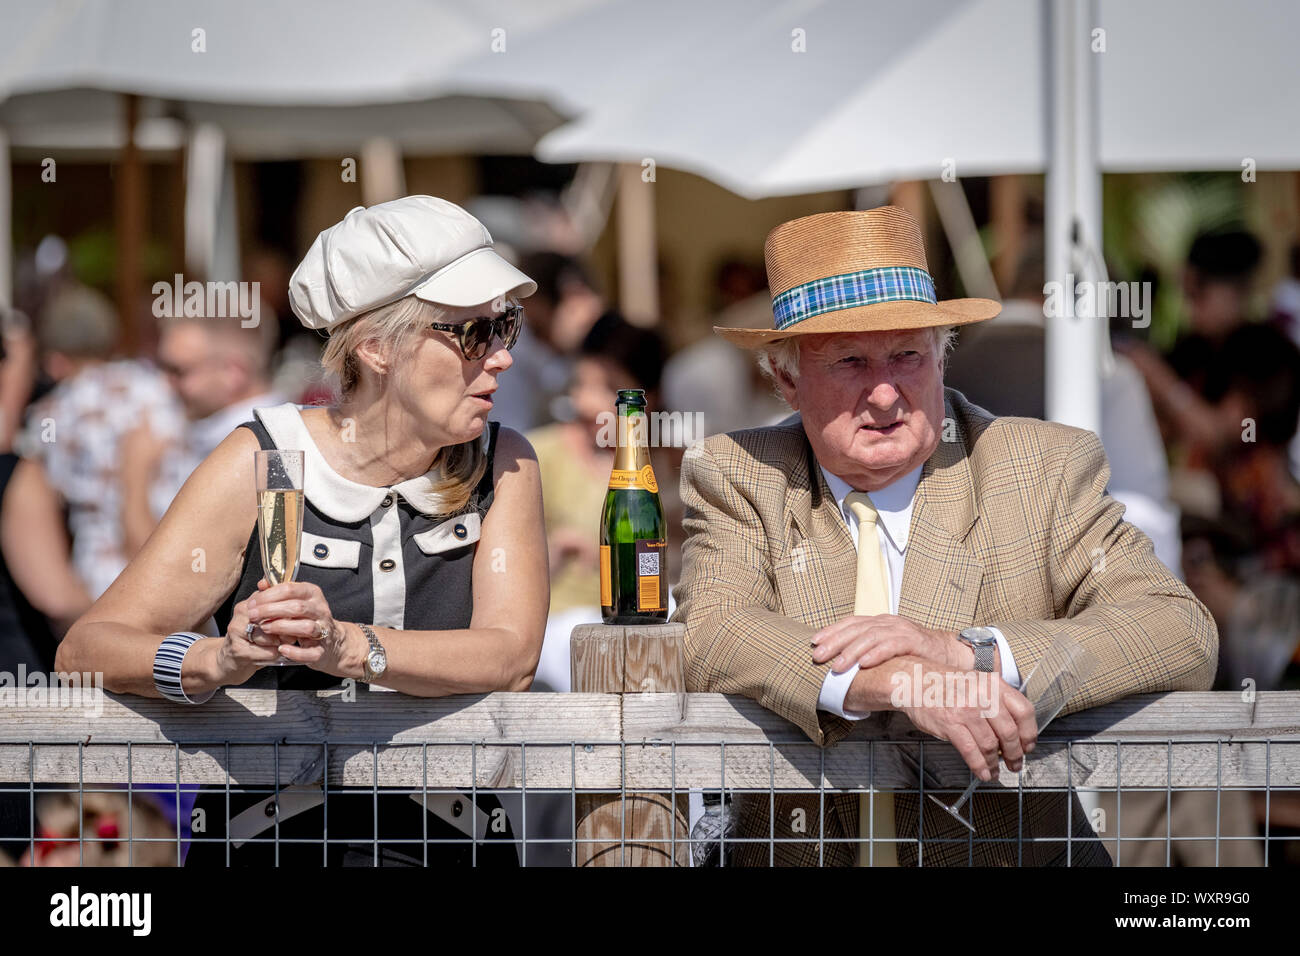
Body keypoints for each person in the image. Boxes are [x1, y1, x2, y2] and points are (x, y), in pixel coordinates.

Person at [672, 206, 1218, 867]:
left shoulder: (1037, 468)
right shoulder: (740, 472)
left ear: (942, 356)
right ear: (786, 378)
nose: (885, 395)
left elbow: (1178, 631)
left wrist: (968, 654)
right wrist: (905, 682)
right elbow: (713, 631)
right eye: (849, 361)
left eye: (907, 355)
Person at [56, 196, 549, 866]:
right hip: (273, 840)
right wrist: (214, 662)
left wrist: (348, 647)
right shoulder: (265, 460)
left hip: (447, 841)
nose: (501, 357)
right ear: (378, 347)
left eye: (506, 326)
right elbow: (87, 649)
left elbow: (510, 656)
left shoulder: (505, 460)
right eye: (472, 332)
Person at [526, 314, 669, 692]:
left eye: (605, 387)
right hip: (563, 630)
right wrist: (553, 550)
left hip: (647, 624)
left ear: (646, 399)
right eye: (579, 385)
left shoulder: (672, 465)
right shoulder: (538, 455)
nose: (585, 402)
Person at [14, 284, 184, 599]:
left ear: (55, 362)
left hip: (101, 581)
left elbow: (37, 500)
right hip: (173, 564)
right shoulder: (158, 389)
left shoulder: (49, 415)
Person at [120, 311, 282, 556]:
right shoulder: (226, 430)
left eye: (179, 371)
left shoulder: (254, 447)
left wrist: (135, 476)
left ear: (234, 372)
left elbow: (170, 570)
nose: (165, 384)